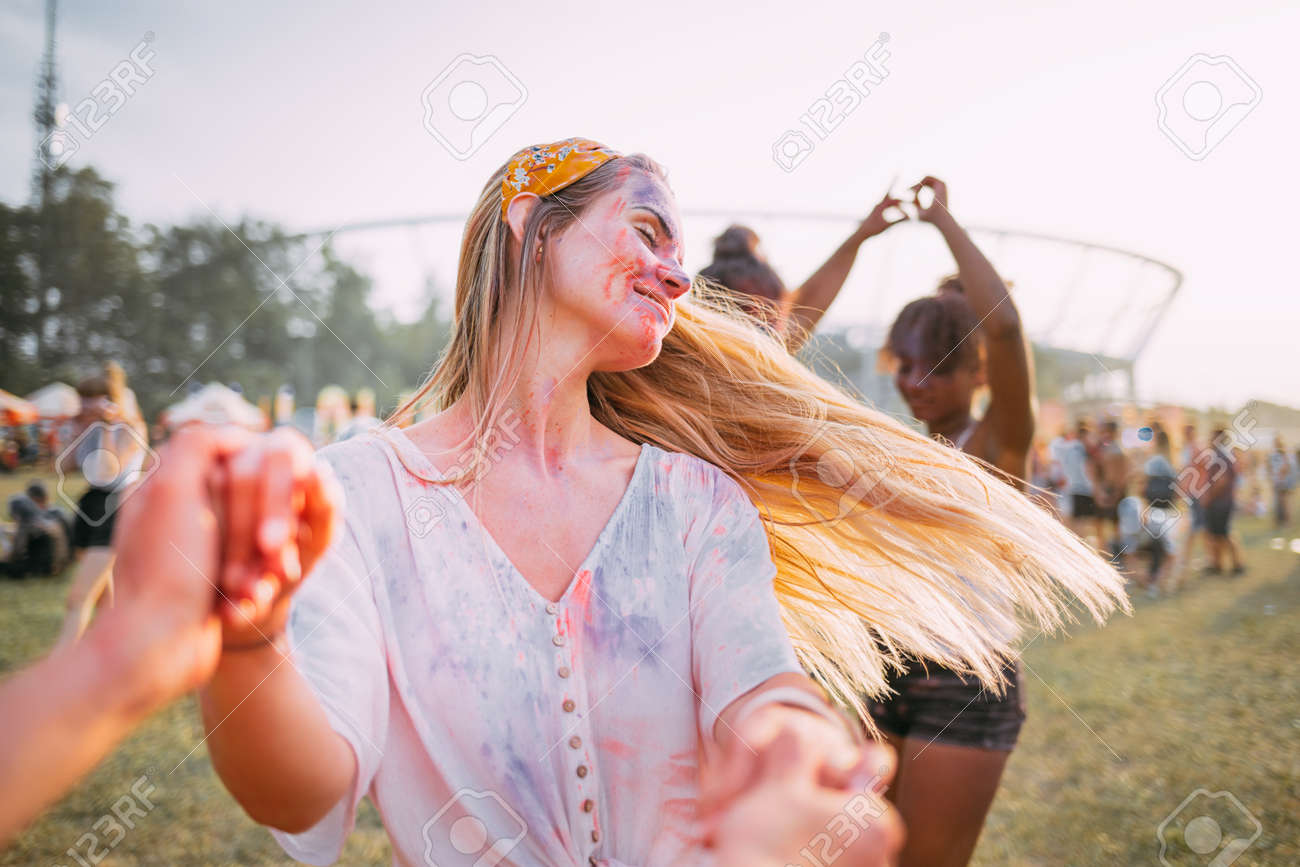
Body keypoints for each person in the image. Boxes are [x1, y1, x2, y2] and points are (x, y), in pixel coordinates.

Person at [195, 140, 1123, 867]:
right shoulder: (359, 493)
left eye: (680, 255)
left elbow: (758, 690)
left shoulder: (692, 501)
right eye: (647, 232)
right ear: (530, 226)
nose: (678, 278)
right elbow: (305, 795)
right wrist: (249, 642)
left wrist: (795, 758)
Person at [698, 191, 906, 350]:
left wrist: (861, 235)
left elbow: (811, 299)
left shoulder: (772, 351)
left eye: (773, 314)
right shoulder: (698, 372)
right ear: (710, 314)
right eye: (748, 312)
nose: (766, 327)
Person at [1198, 428, 1245, 576]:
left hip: (1220, 503)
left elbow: (1221, 481)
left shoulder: (1220, 456)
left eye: (1212, 437)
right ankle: (1217, 564)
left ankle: (1237, 564)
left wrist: (1209, 497)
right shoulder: (1225, 455)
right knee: (1217, 534)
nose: (1209, 439)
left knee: (1224, 533)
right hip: (1223, 502)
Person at [0, 494, 69, 579]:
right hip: (59, 566)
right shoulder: (45, 519)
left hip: (45, 570)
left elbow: (16, 554)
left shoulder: (26, 525)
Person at [1267, 436, 1295, 528]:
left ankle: (1286, 521)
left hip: (1284, 482)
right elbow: (1270, 468)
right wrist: (1273, 478)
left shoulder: (1286, 455)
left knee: (1284, 502)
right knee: (1278, 502)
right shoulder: (1273, 455)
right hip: (1277, 481)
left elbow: (1287, 468)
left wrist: (1280, 477)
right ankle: (1279, 521)